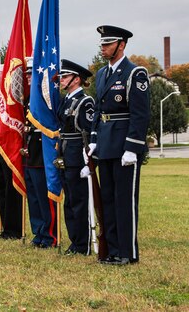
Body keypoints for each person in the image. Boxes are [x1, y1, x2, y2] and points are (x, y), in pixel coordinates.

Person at [89, 25, 150, 265]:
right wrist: (94, 140)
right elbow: (98, 110)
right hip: (106, 143)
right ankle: (112, 250)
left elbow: (140, 115)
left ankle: (127, 252)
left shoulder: (136, 74)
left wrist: (132, 148)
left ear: (121, 45)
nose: (103, 48)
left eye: (108, 44)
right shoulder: (103, 74)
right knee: (109, 199)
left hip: (124, 144)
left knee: (125, 200)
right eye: (102, 44)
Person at [57, 59, 94, 255]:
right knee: (70, 201)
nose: (61, 80)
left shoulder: (85, 102)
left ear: (76, 79)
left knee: (79, 201)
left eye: (65, 77)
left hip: (77, 157)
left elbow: (87, 133)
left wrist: (88, 160)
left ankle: (83, 244)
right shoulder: (67, 100)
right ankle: (75, 241)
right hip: (65, 155)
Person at [23, 58, 58, 248]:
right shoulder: (30, 98)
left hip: (42, 152)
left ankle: (50, 235)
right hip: (30, 153)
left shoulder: (46, 97)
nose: (28, 77)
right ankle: (39, 232)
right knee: (34, 198)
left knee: (45, 197)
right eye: (27, 74)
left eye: (31, 73)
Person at [0, 64, 22, 240]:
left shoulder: (10, 96)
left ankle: (14, 229)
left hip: (11, 147)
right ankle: (5, 226)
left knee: (11, 190)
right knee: (1, 187)